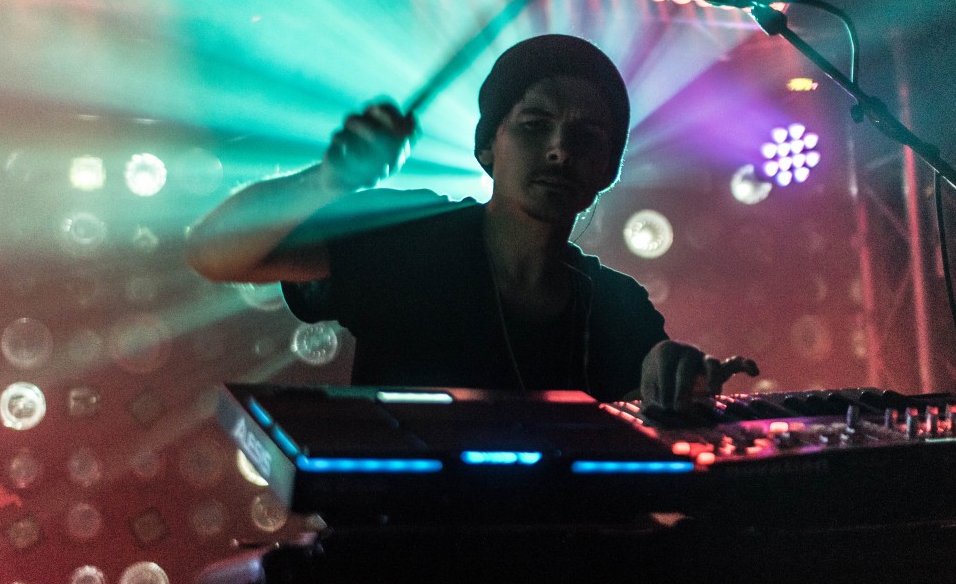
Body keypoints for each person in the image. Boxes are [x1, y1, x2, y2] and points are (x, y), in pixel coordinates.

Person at [186, 34, 757, 410]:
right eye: (534, 125)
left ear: (607, 169)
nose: (560, 150)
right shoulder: (411, 233)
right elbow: (214, 250)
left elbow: (651, 415)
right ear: (487, 148)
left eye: (587, 137)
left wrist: (680, 382)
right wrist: (330, 179)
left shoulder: (619, 305)